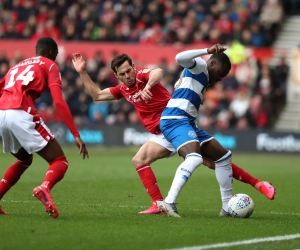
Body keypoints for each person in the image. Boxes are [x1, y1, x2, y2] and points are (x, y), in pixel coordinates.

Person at [72, 50, 275, 215]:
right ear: (117, 76)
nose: (128, 75)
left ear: (133, 67)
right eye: (123, 74)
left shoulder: (143, 76)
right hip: (167, 129)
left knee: (215, 160)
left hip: (176, 121)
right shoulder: (123, 89)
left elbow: (157, 72)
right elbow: (97, 95)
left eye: (129, 70)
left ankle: (255, 185)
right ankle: (159, 203)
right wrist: (82, 72)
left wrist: (148, 86)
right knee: (141, 160)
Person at [0, 37, 89, 218]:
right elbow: (58, 101)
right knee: (60, 161)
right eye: (55, 54)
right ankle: (44, 187)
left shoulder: (16, 66)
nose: (55, 58)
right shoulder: (49, 65)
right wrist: (75, 133)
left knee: (24, 160)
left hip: (1, 113)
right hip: (20, 112)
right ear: (50, 52)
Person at [154, 45, 237, 217]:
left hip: (187, 122)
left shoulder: (205, 79)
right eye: (221, 73)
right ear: (212, 63)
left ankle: (227, 208)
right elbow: (179, 58)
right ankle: (169, 201)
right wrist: (207, 51)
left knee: (223, 157)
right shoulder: (200, 66)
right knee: (194, 157)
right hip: (174, 119)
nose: (221, 78)